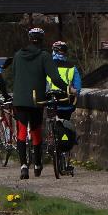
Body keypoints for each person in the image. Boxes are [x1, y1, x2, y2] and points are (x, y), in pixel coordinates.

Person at [8, 27, 51, 180]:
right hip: (36, 99)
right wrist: (67, 89)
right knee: (36, 131)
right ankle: (38, 164)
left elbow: (14, 73)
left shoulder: (18, 55)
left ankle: (23, 166)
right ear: (42, 39)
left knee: (21, 131)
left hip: (19, 99)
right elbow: (54, 76)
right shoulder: (44, 56)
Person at [44, 40, 82, 175]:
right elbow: (77, 87)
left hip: (50, 101)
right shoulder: (72, 67)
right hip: (66, 102)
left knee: (52, 122)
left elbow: (42, 82)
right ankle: (66, 154)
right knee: (66, 127)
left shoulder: (47, 65)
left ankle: (51, 142)